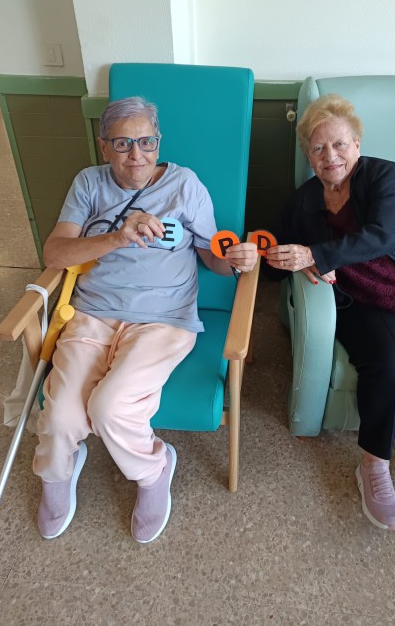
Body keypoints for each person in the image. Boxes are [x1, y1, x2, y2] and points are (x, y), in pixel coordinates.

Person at [33, 96, 258, 543]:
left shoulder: (185, 185)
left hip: (163, 318)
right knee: (59, 417)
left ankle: (154, 469)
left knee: (110, 407)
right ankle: (58, 473)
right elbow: (55, 254)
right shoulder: (88, 183)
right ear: (104, 146)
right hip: (93, 313)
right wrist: (117, 237)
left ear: (159, 142)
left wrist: (235, 260)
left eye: (146, 141)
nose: (136, 154)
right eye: (122, 143)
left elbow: (212, 256)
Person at [265, 94, 395, 530]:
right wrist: (261, 254)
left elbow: (385, 234)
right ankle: (374, 465)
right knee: (394, 365)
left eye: (339, 144)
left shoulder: (385, 176)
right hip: (362, 301)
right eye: (319, 148)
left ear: (357, 145)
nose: (330, 156)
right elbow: (275, 249)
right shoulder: (304, 201)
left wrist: (316, 255)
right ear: (309, 155)